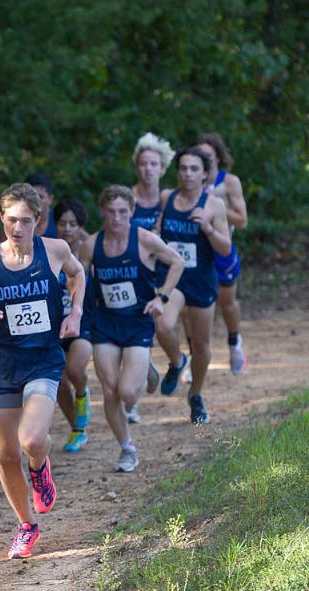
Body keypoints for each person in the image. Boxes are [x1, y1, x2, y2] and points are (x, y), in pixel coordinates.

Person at [0, 183, 85, 559]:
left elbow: (78, 274)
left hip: (43, 359)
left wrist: (75, 312)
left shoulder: (55, 250)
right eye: (11, 220)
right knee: (5, 454)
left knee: (32, 439)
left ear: (38, 220)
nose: (17, 228)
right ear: (1, 218)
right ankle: (26, 524)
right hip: (3, 362)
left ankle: (40, 466)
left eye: (26, 221)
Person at [81, 186, 185, 471]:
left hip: (137, 321)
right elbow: (77, 275)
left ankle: (147, 370)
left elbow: (177, 261)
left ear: (132, 212)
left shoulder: (144, 239)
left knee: (128, 393)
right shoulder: (92, 244)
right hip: (105, 323)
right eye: (111, 212)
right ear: (103, 212)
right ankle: (127, 448)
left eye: (123, 212)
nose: (116, 218)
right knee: (111, 390)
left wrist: (162, 296)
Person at [153, 147, 232, 424]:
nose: (187, 174)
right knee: (161, 323)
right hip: (173, 279)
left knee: (201, 345)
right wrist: (154, 236)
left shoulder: (214, 205)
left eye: (194, 169)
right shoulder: (167, 198)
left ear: (205, 174)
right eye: (183, 168)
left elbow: (225, 249)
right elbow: (157, 231)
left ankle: (196, 395)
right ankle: (177, 362)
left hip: (201, 280)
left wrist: (208, 229)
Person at [127, 132, 176, 423]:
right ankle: (132, 401)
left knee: (160, 324)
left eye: (153, 164)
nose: (147, 169)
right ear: (137, 166)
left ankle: (168, 362)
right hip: (132, 275)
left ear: (162, 167)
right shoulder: (127, 198)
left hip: (165, 272)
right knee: (134, 331)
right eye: (143, 164)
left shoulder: (169, 199)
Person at [196, 133, 249, 375]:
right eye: (199, 156)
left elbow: (242, 221)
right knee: (190, 307)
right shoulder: (191, 181)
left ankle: (234, 342)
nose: (204, 160)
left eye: (208, 155)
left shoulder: (229, 183)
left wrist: (218, 208)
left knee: (226, 303)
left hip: (222, 249)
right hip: (196, 251)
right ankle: (194, 355)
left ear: (217, 156)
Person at [50, 197, 93, 453]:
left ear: (80, 227)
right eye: (62, 223)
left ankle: (83, 393)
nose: (67, 228)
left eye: (73, 224)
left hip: (83, 323)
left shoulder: (88, 251)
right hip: (55, 326)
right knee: (57, 380)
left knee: (75, 369)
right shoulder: (49, 252)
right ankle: (77, 430)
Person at [25, 172, 58, 237]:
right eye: (31, 196)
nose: (35, 201)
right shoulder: (17, 221)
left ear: (50, 199)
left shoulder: (60, 221)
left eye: (40, 197)